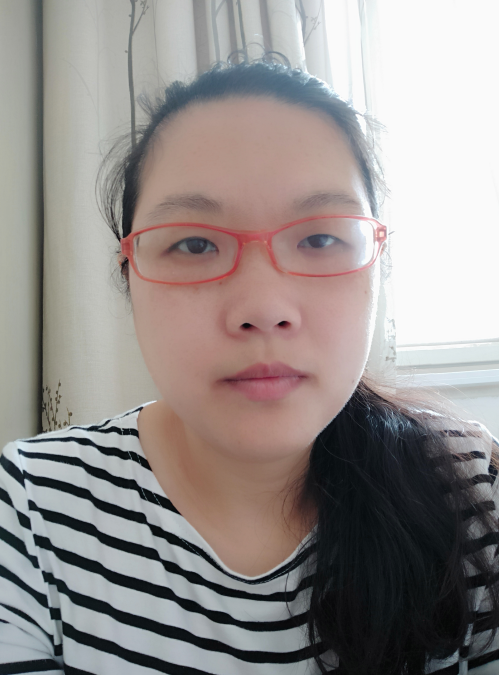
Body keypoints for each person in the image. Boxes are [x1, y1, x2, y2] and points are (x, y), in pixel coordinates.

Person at [1, 56, 498, 675]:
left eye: (319, 238)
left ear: (378, 267)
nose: (263, 308)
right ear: (130, 278)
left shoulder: (468, 489)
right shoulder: (28, 511)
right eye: (194, 243)